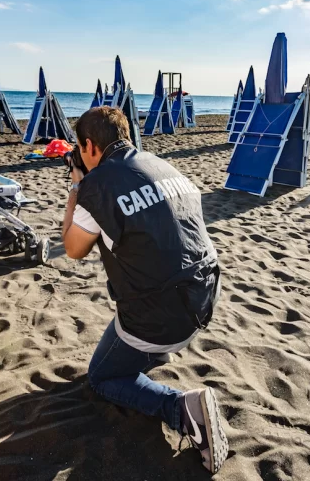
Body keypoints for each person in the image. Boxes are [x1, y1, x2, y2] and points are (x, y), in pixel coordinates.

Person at [61, 106, 229, 473]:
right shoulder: (161, 165)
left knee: (102, 377)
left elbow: (72, 248)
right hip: (202, 300)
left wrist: (76, 187)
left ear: (88, 145)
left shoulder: (98, 185)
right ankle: (152, 354)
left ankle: (180, 408)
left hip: (160, 318)